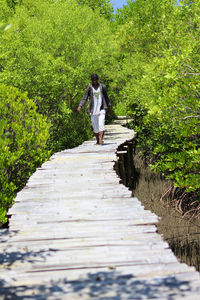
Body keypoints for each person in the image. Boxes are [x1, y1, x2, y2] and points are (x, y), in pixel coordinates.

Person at [77, 74, 111, 145]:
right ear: (91, 80)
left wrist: (108, 107)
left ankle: (101, 139)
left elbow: (106, 97)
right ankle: (98, 140)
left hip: (102, 108)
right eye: (93, 80)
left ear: (97, 80)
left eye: (95, 80)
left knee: (101, 124)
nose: (94, 81)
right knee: (95, 127)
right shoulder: (89, 88)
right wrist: (80, 105)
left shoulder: (102, 87)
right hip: (93, 110)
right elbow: (84, 97)